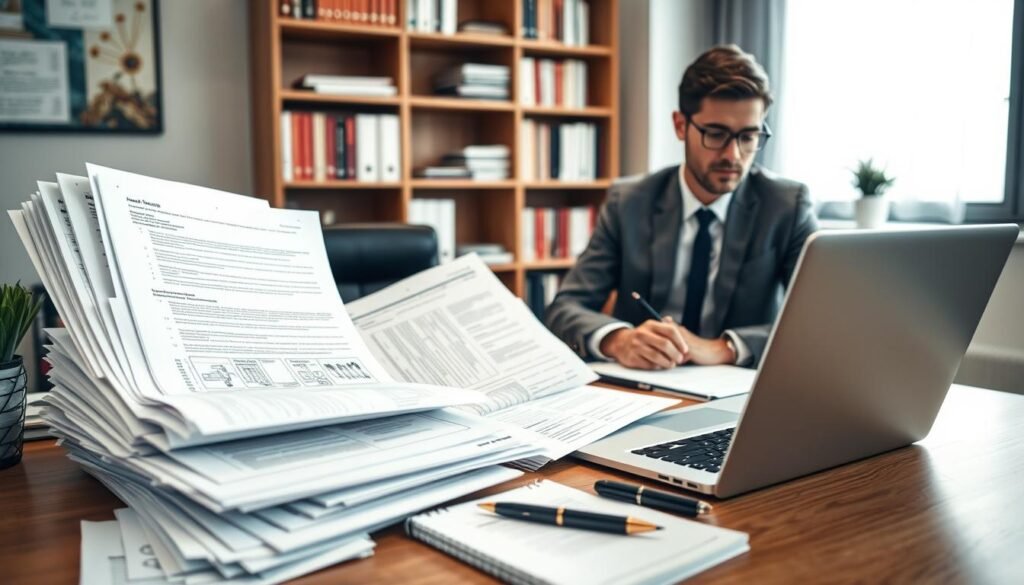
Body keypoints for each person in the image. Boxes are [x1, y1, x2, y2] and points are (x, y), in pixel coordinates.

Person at [545, 44, 818, 370]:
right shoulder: (629, 201)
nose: (733, 155)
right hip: (646, 384)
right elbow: (565, 307)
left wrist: (724, 348)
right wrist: (619, 340)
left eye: (748, 136)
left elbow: (821, 321)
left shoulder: (787, 205)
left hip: (740, 392)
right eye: (716, 134)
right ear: (680, 125)